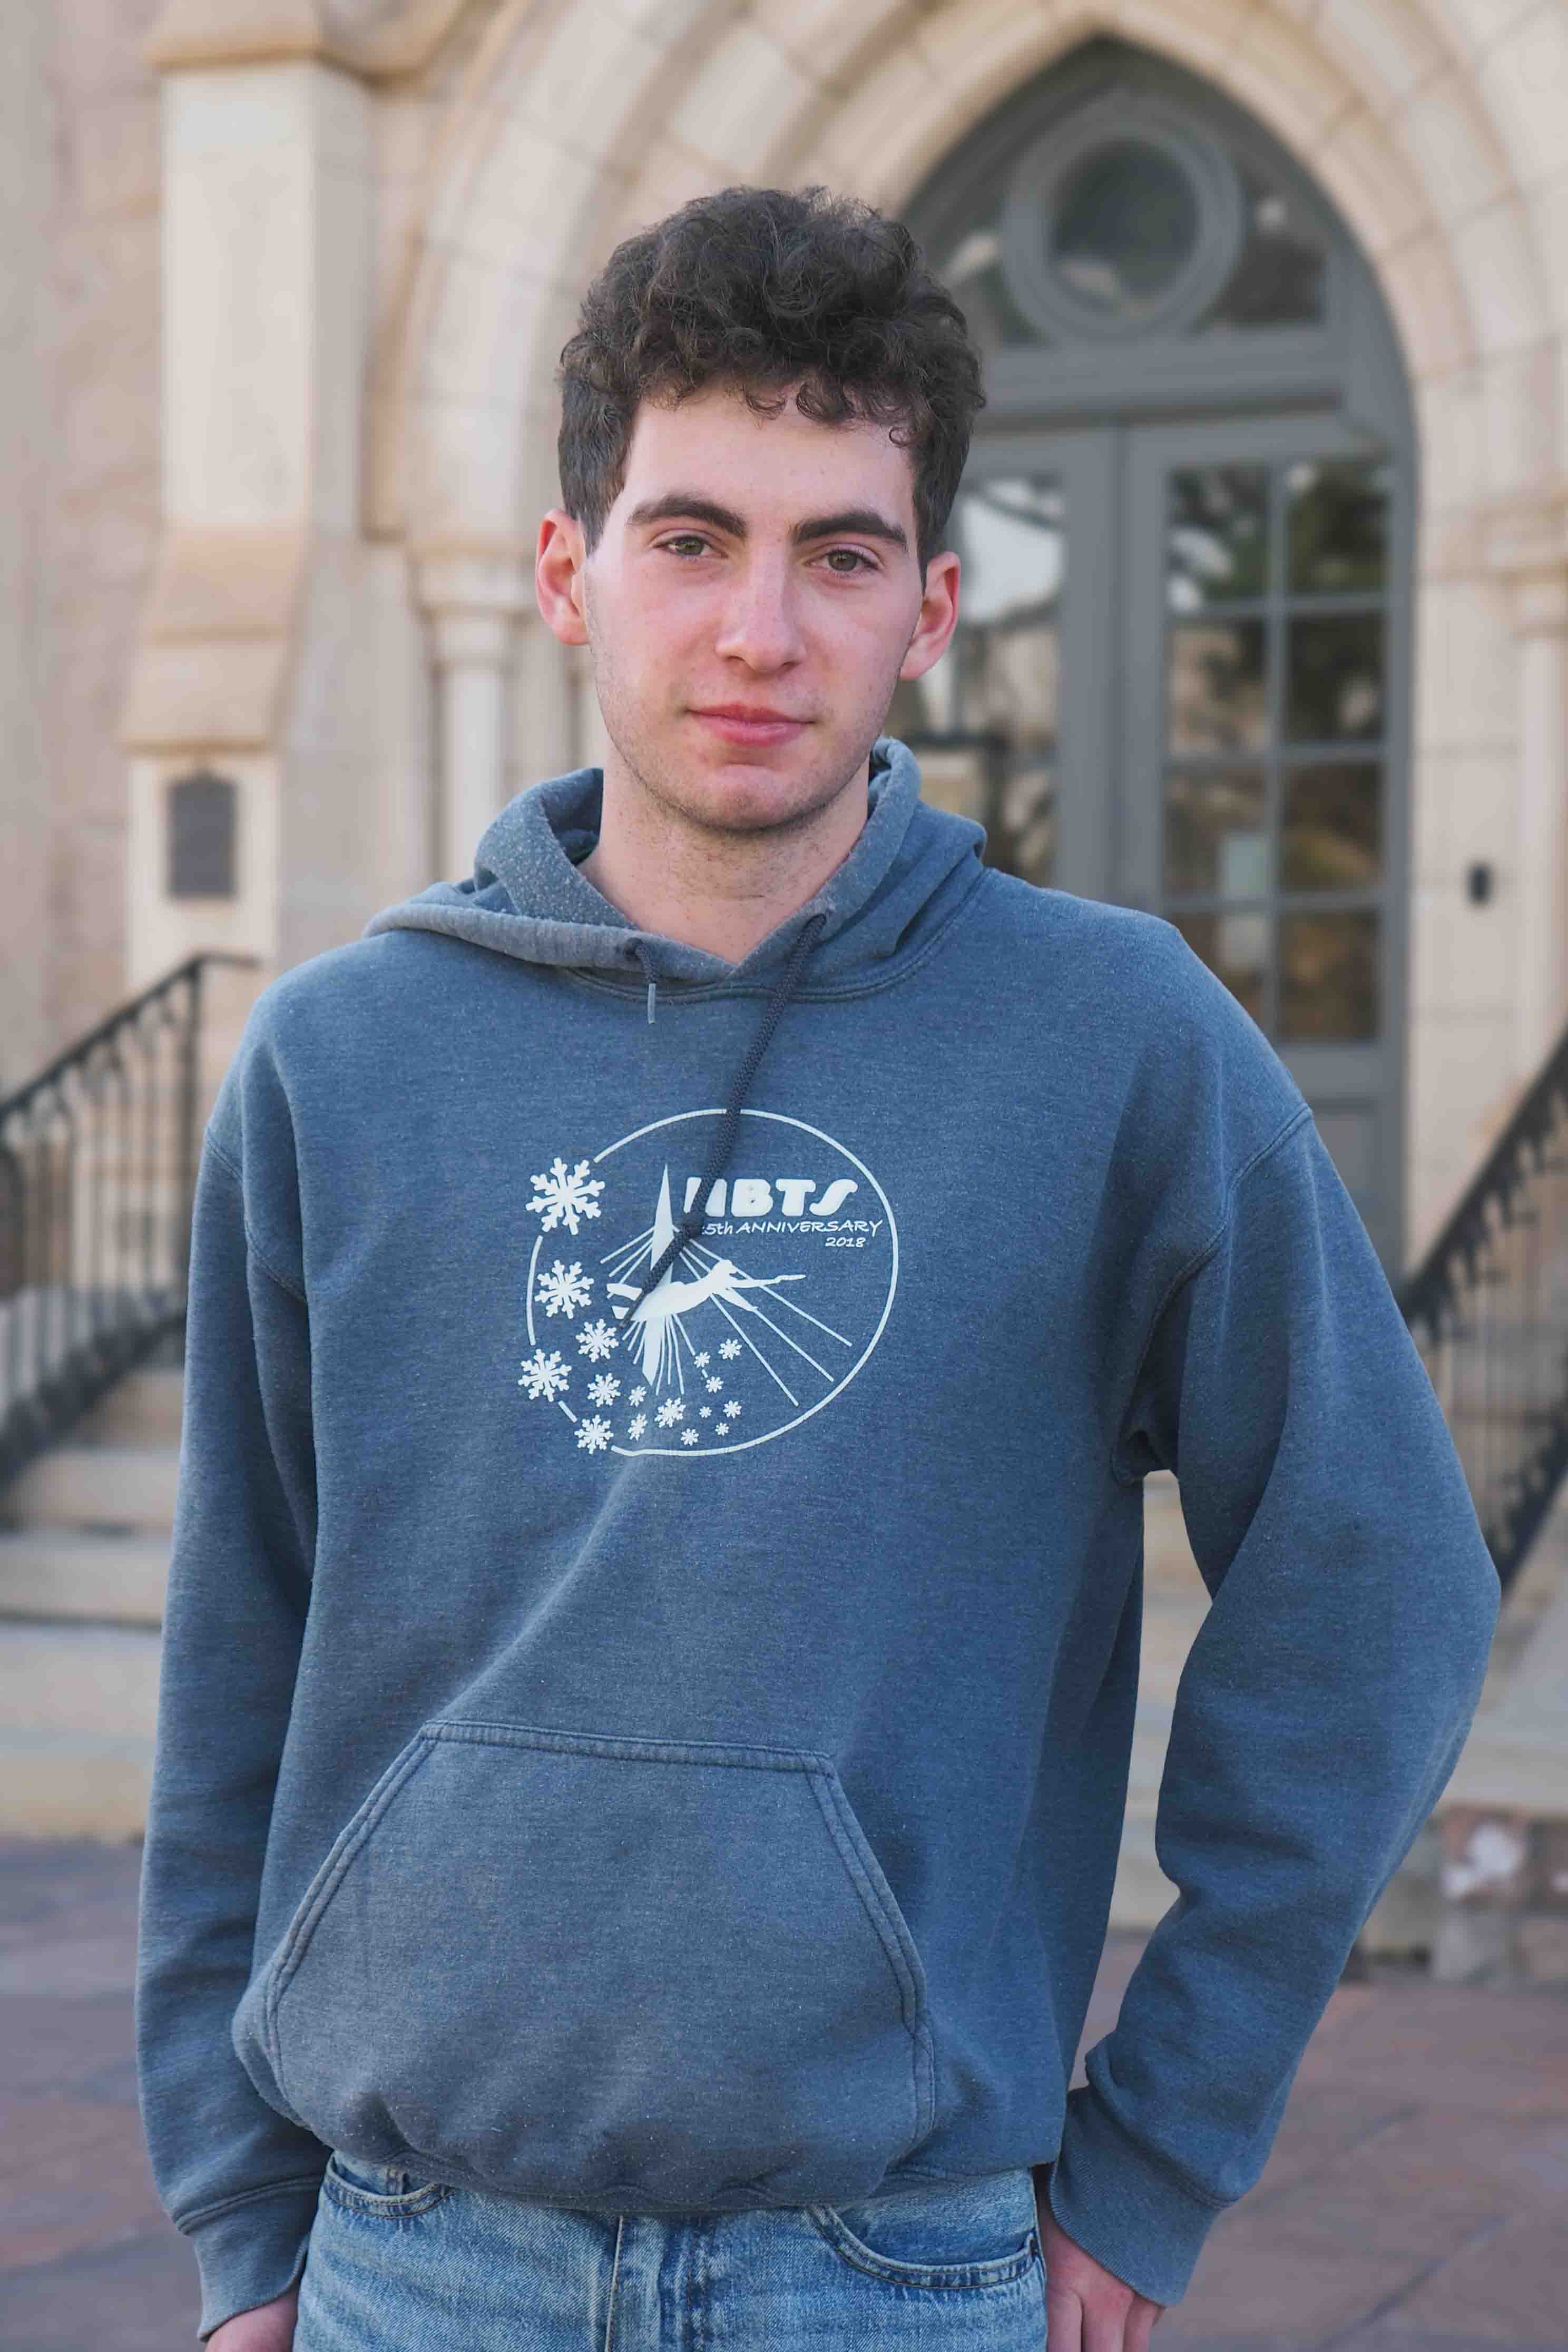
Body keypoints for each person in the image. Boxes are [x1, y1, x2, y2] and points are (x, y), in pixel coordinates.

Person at [135, 184, 1500, 2352]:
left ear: (931, 606)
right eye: (691, 539)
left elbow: (1382, 1587)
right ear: (570, 573)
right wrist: (235, 2215)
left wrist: (1153, 2162)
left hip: (897, 2268)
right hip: (414, 2261)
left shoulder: (1117, 1046)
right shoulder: (341, 1062)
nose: (760, 629)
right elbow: (242, 1657)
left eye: (838, 554)